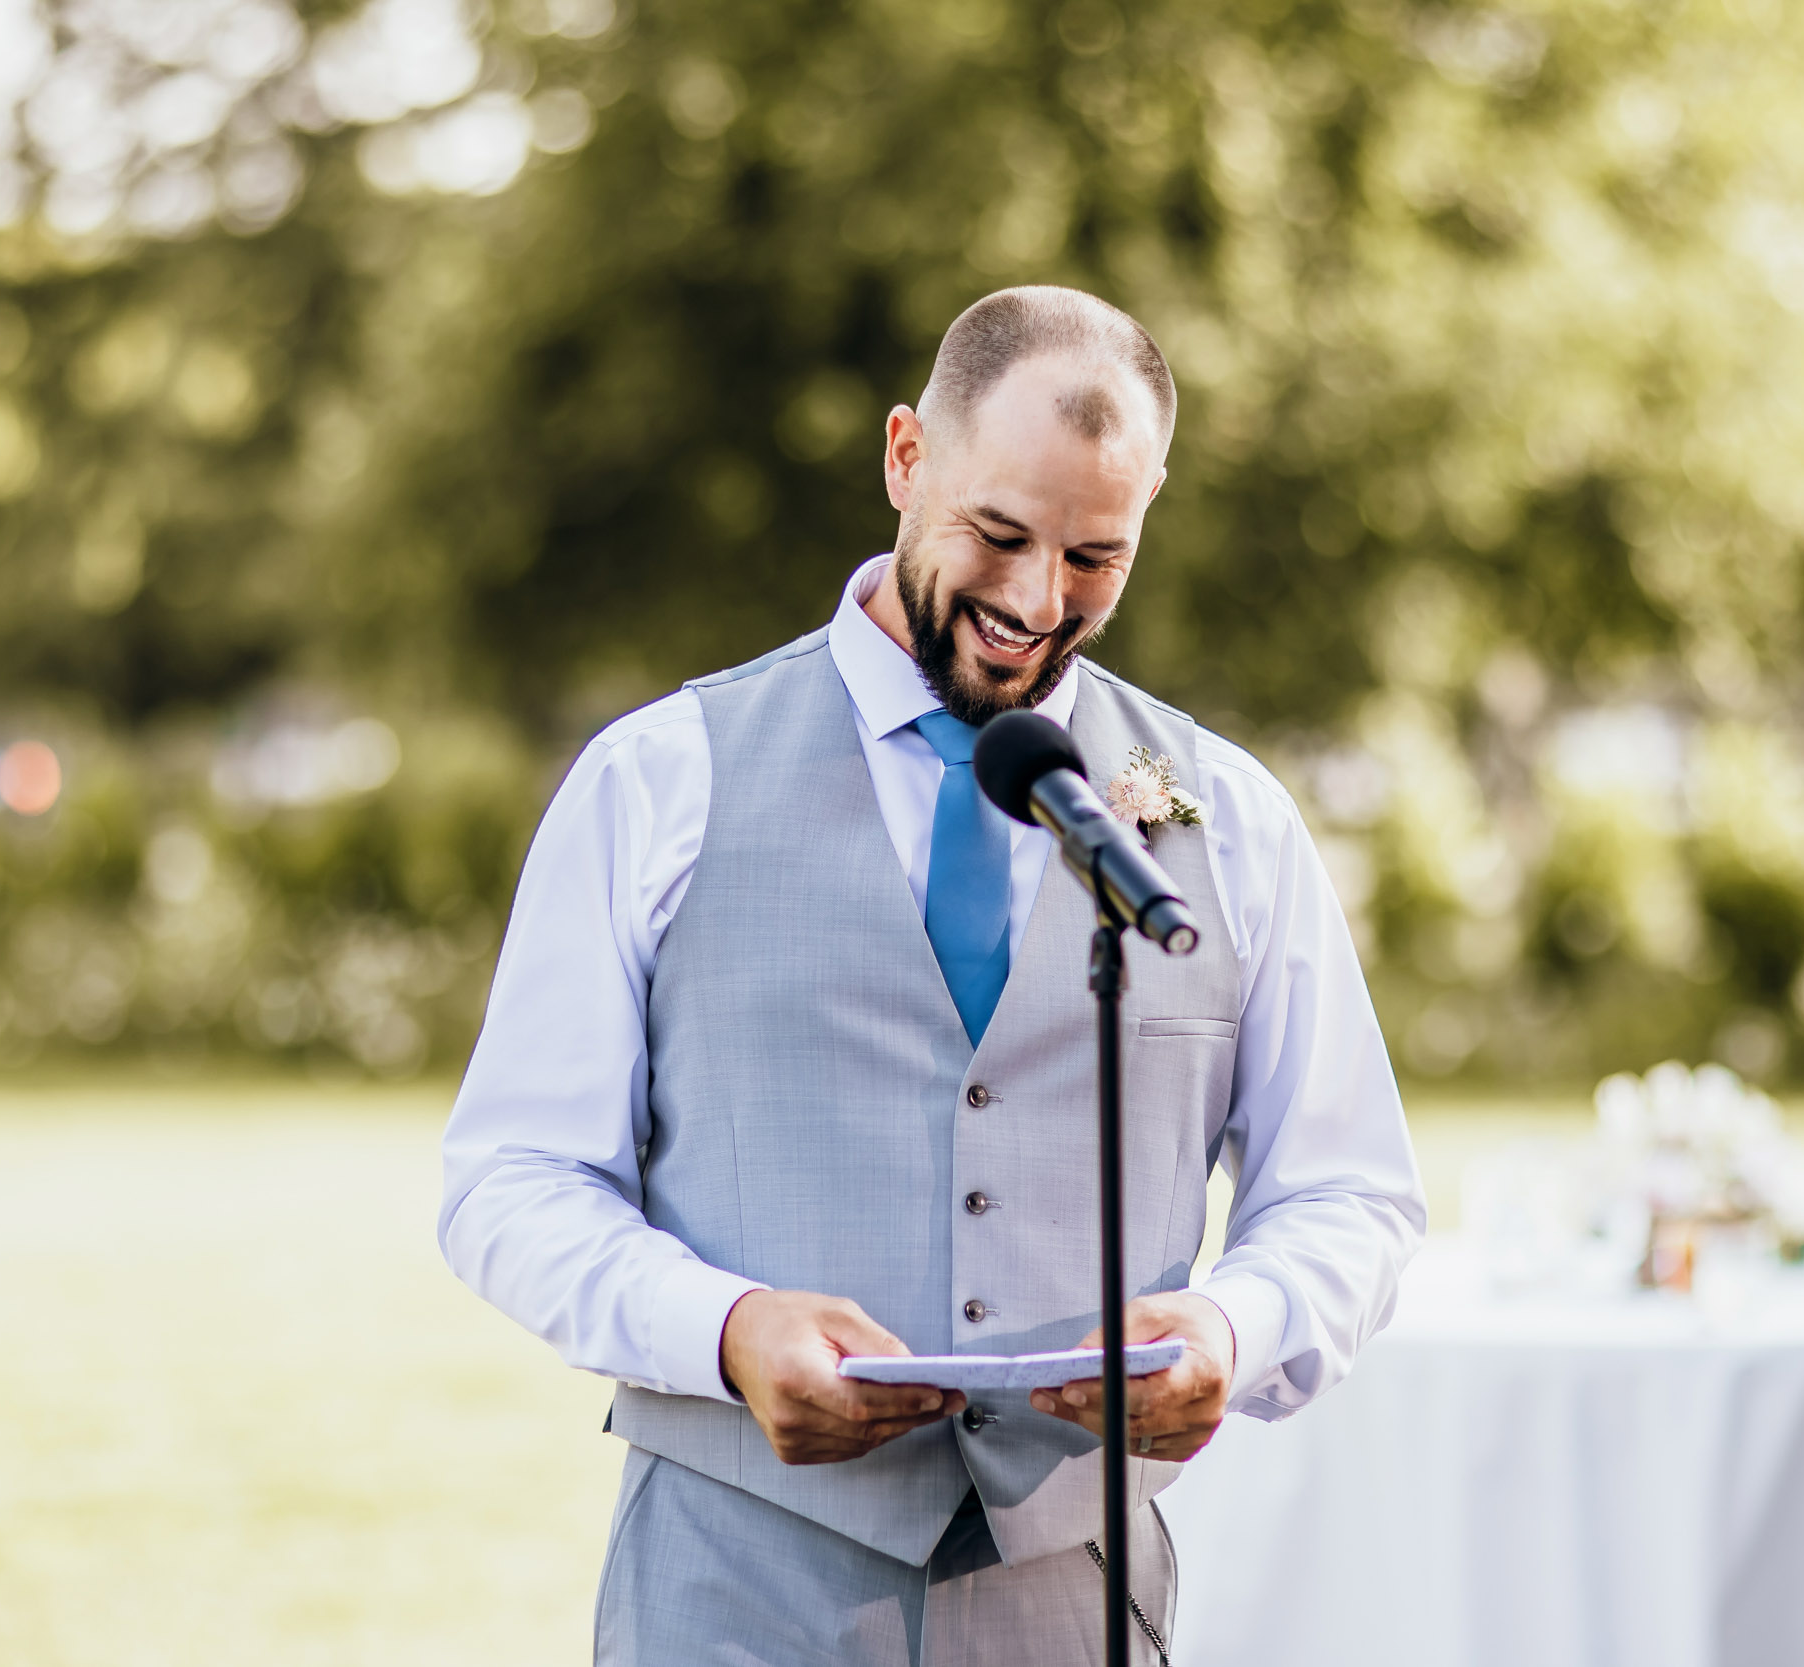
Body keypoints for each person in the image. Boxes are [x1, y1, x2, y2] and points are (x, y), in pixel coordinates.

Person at [439, 285, 1425, 1665]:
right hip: (735, 1585)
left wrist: (1231, 1324)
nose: (1036, 602)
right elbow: (510, 1178)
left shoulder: (1225, 817)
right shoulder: (659, 780)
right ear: (907, 460)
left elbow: (1351, 1191)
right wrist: (721, 1330)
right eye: (999, 534)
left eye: (1096, 557)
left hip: (1074, 1600)